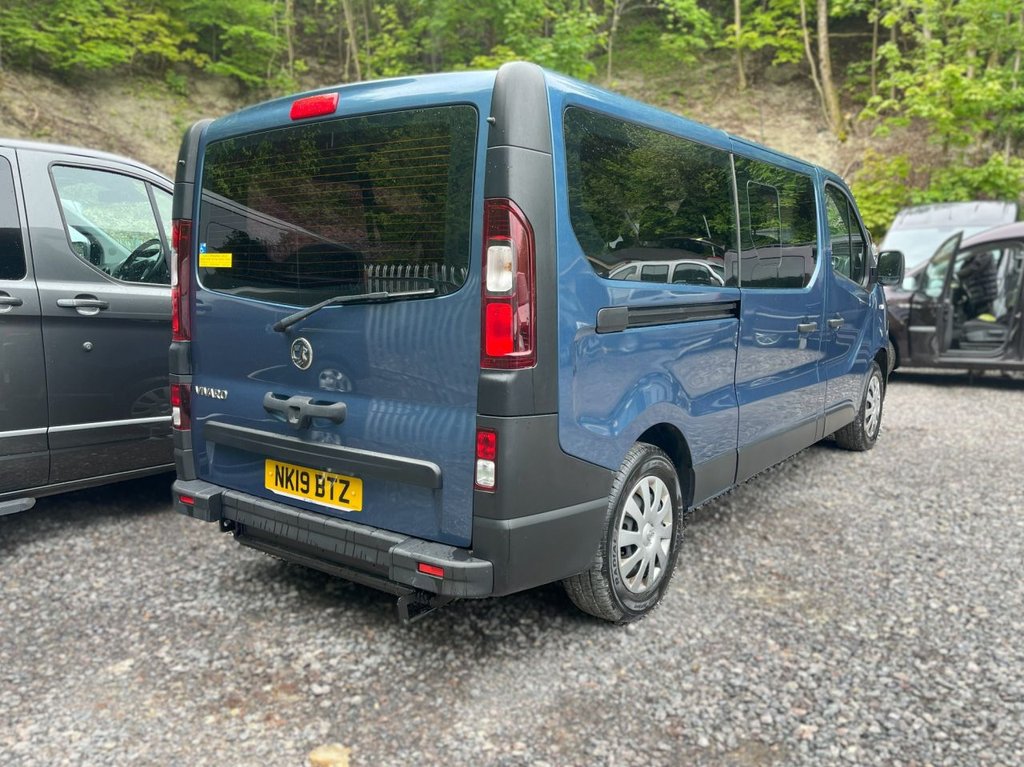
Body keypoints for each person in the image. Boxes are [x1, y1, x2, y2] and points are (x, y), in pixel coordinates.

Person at [956, 249, 998, 318]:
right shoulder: (975, 255)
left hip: (985, 297)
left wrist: (956, 274)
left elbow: (974, 268)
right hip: (978, 297)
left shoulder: (985, 253)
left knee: (985, 320)